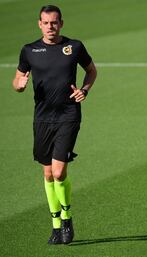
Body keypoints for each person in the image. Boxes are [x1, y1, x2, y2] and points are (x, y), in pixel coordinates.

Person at [12, 5, 97, 245]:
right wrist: (19, 85)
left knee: (59, 171)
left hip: (68, 115)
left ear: (61, 23)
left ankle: (67, 217)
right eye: (46, 23)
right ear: (39, 24)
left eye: (55, 22)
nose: (51, 27)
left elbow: (91, 71)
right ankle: (56, 223)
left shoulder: (74, 47)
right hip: (42, 118)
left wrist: (84, 90)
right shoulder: (29, 51)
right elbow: (17, 82)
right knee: (48, 173)